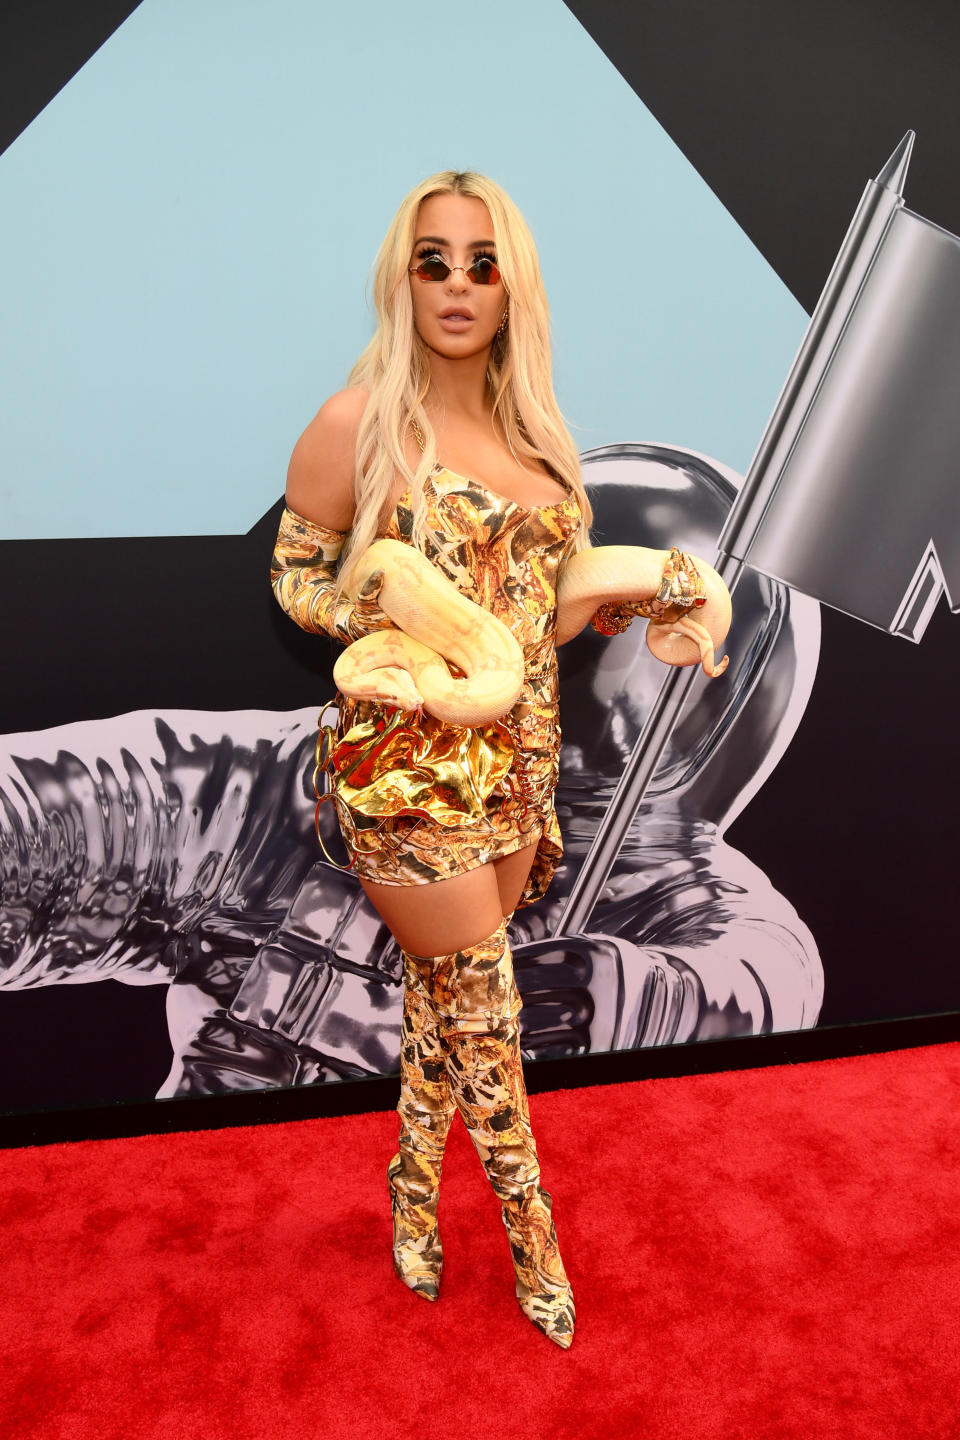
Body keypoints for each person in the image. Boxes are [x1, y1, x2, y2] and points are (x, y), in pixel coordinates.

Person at [270, 171, 703, 1348]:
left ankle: (412, 1191)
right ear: (400, 280)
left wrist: (617, 602)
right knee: (487, 1011)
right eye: (433, 260)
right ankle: (532, 1242)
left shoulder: (541, 437)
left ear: (513, 286)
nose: (457, 284)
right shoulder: (358, 422)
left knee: (442, 1005)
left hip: (520, 767)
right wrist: (384, 623)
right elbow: (295, 574)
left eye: (481, 262)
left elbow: (543, 617)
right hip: (404, 776)